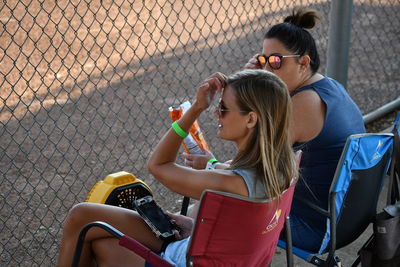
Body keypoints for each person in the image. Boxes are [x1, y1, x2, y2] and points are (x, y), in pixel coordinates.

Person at [56, 69, 297, 267]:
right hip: (215, 254)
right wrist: (195, 228)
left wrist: (195, 109)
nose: (216, 113)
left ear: (251, 119)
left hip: (182, 261)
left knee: (84, 219)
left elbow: (158, 164)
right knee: (94, 228)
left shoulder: (230, 183)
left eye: (223, 108)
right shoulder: (284, 168)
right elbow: (243, 224)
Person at [183, 8, 366, 252]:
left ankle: (183, 256)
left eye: (276, 61)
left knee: (214, 196)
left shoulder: (302, 106)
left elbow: (251, 169)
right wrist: (253, 80)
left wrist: (211, 164)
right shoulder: (327, 86)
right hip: (349, 215)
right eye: (263, 60)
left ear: (304, 62)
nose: (267, 70)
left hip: (316, 225)